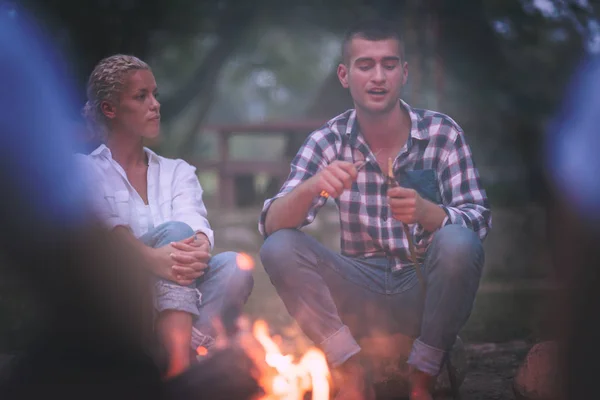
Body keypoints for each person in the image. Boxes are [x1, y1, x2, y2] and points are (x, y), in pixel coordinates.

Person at [258, 19, 491, 400]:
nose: (378, 77)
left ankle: (422, 381)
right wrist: (313, 186)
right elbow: (270, 226)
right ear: (345, 75)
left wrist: (434, 215)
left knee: (458, 242)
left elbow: (479, 218)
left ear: (404, 73)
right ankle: (349, 373)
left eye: (388, 64)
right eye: (365, 65)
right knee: (279, 247)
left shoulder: (442, 134)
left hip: (422, 287)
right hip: (358, 289)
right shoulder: (328, 140)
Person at [75, 54, 254, 379]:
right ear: (110, 109)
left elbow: (196, 228)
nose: (155, 104)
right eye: (141, 96)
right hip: (120, 300)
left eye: (155, 94)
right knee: (174, 230)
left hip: (176, 295)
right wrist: (148, 258)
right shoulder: (84, 170)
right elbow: (104, 232)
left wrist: (197, 245)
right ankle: (180, 367)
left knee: (233, 266)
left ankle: (177, 353)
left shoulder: (177, 171)